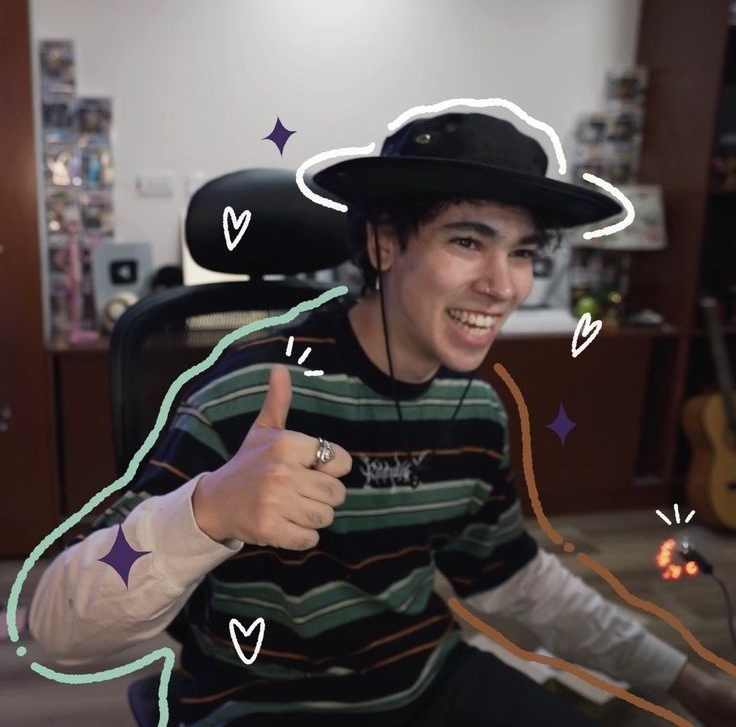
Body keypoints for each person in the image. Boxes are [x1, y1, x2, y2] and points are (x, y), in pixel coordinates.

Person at [30, 113, 736, 727]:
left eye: (521, 252)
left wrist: (685, 683)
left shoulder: (472, 409)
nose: (503, 284)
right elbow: (58, 630)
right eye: (467, 241)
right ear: (383, 244)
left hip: (424, 680)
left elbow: (514, 579)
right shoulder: (250, 387)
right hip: (264, 704)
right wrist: (206, 511)